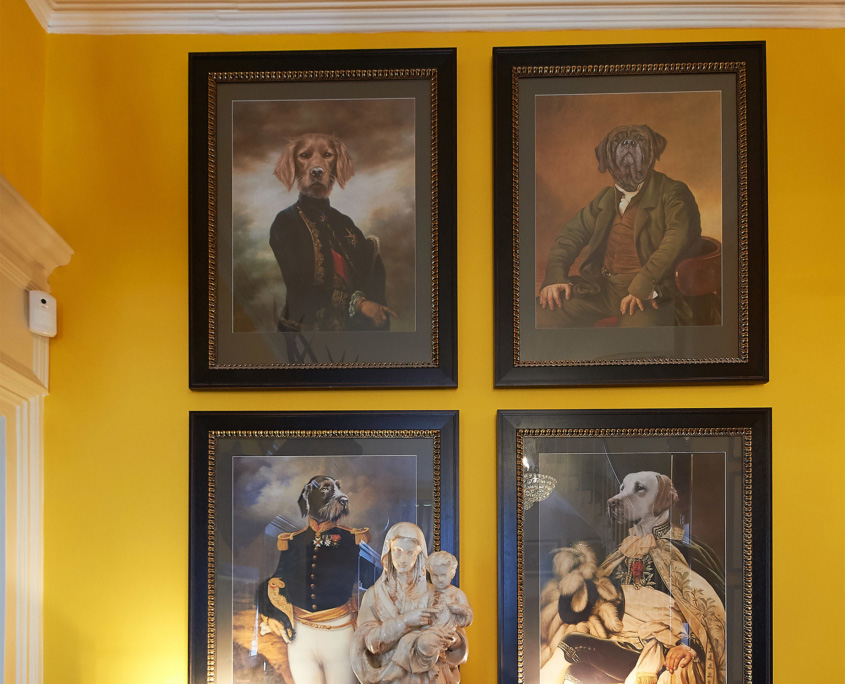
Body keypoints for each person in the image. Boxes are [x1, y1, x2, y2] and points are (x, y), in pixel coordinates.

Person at [536, 124, 704, 328]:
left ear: (654, 151)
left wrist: (643, 284)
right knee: (542, 314)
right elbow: (570, 235)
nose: (628, 145)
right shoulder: (605, 197)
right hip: (602, 289)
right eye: (618, 142)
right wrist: (555, 275)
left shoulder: (674, 193)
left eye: (640, 141)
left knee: (635, 338)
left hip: (651, 293)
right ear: (605, 158)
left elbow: (676, 239)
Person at [351, 523, 469, 684]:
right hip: (391, 678)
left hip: (431, 677)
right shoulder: (375, 596)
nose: (403, 559)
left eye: (410, 553)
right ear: (389, 552)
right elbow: (369, 644)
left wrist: (453, 640)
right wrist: (405, 621)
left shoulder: (437, 593)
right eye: (397, 551)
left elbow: (458, 642)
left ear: (419, 554)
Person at [424, 551, 473, 632]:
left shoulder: (457, 594)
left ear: (452, 574)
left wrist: (459, 609)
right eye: (435, 575)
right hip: (431, 629)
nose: (439, 579)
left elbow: (469, 614)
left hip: (449, 630)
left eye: (443, 575)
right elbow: (421, 610)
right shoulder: (428, 594)